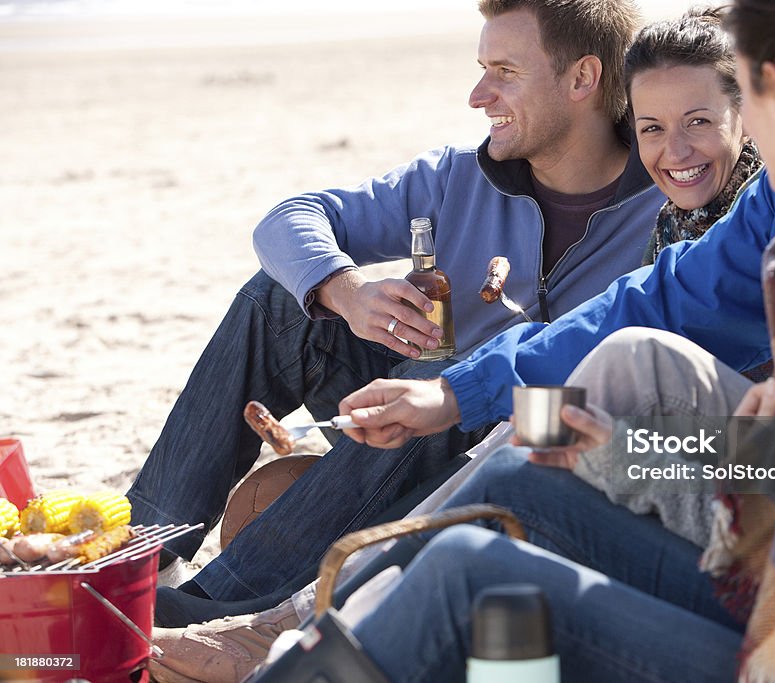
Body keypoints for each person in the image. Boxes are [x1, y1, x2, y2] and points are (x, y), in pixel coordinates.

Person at [161, 1, 775, 680]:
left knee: (476, 568)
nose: (737, 130)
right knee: (545, 427)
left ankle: (299, 638)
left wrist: (699, 452)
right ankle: (295, 623)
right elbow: (667, 300)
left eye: (741, 95)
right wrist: (471, 397)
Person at [129, 0, 670, 614]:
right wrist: (346, 289)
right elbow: (290, 218)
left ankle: (214, 608)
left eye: (505, 73)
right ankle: (147, 550)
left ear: (582, 79)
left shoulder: (667, 203)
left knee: (441, 371)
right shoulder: (455, 177)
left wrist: (464, 381)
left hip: (539, 439)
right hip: (418, 415)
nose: (478, 94)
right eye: (480, 68)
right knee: (281, 299)